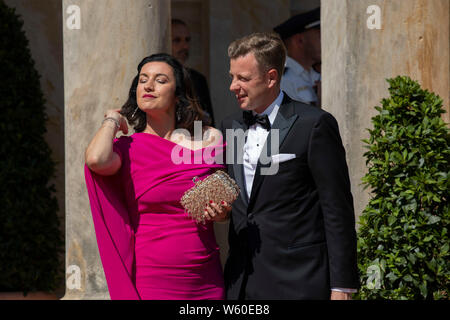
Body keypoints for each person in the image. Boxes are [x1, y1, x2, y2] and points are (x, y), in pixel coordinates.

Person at [221, 33, 359, 300]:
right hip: (241, 282)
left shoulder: (314, 125)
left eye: (243, 78)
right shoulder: (232, 126)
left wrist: (342, 286)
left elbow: (337, 209)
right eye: (232, 77)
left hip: (299, 280)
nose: (233, 86)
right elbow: (244, 200)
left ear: (271, 77)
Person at [84, 53, 230, 300]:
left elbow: (223, 202)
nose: (149, 86)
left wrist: (222, 214)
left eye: (160, 80)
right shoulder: (128, 148)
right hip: (153, 278)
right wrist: (112, 118)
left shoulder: (209, 138)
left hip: (205, 276)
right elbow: (96, 160)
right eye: (143, 80)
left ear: (178, 93)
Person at [274, 7, 322, 107]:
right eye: (319, 37)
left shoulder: (319, 72)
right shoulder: (282, 80)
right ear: (300, 41)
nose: (323, 42)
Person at [172, 18, 215, 126]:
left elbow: (209, 123)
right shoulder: (155, 80)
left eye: (187, 40)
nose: (185, 46)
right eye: (177, 40)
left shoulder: (198, 79)